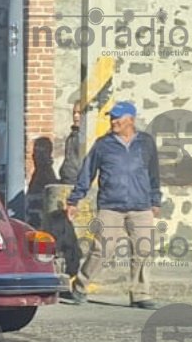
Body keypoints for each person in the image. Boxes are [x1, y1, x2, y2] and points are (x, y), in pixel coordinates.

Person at [64, 101, 162, 308]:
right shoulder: (103, 144)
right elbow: (87, 173)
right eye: (112, 117)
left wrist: (155, 200)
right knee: (102, 250)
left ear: (131, 120)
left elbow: (153, 174)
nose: (113, 121)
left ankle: (140, 294)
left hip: (141, 206)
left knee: (143, 250)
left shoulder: (146, 143)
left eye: (118, 118)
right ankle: (80, 286)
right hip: (111, 206)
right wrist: (74, 199)